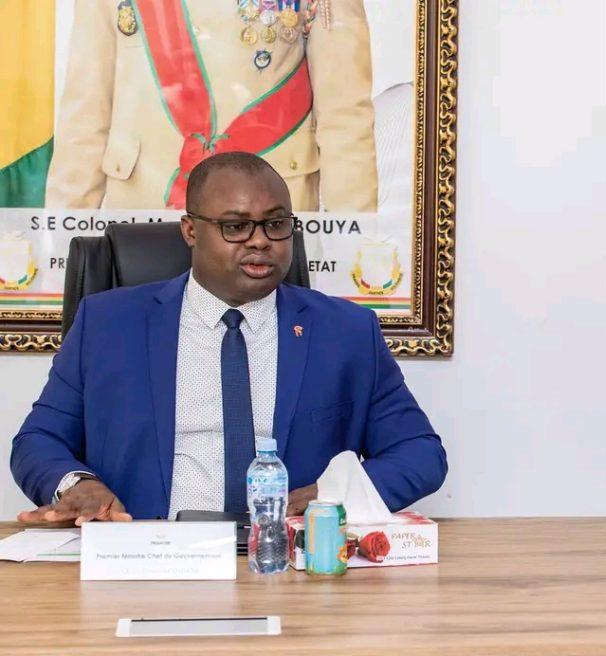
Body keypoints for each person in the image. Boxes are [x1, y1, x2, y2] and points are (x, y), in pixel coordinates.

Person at [12, 152, 444, 524]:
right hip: (147, 555)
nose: (261, 241)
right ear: (190, 231)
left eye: (276, 224)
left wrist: (334, 495)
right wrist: (78, 485)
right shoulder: (108, 324)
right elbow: (38, 441)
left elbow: (421, 453)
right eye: (236, 227)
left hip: (288, 560)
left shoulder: (346, 332)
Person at [45, 0, 377, 212]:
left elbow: (345, 118)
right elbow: (86, 114)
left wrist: (352, 246)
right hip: (144, 206)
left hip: (266, 211)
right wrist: (62, 244)